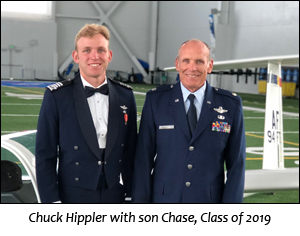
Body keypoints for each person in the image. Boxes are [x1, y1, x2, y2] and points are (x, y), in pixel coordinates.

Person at [132, 39, 245, 203]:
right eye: (186, 61)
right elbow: (143, 159)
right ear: (177, 64)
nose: (192, 68)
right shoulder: (156, 101)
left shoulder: (230, 105)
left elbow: (237, 165)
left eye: (199, 61)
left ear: (210, 65)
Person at [36, 24, 137, 203]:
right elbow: (45, 155)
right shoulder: (57, 97)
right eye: (87, 50)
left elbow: (130, 152)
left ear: (109, 55)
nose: (94, 56)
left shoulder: (125, 95)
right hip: (72, 196)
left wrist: (131, 194)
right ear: (76, 56)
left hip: (115, 195)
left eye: (100, 50)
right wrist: (51, 201)